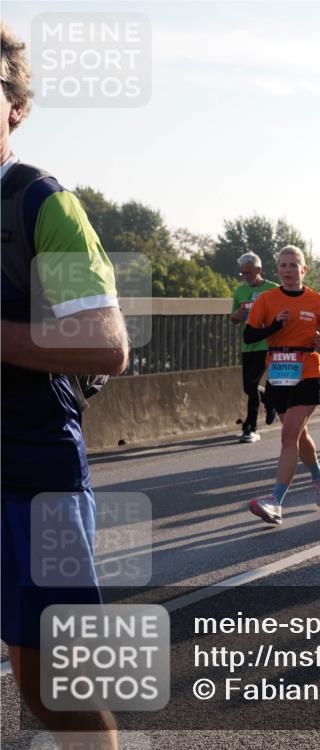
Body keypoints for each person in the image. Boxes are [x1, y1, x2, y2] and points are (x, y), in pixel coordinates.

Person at [1, 21, 129, 746]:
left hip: (33, 477)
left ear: (16, 106)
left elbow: (105, 347)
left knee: (51, 686)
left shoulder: (41, 203)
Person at [243, 246, 320, 525]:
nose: (287, 270)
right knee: (298, 435)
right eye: (283, 265)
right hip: (279, 373)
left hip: (308, 369)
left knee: (288, 435)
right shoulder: (267, 299)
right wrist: (274, 326)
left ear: (303, 270)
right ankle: (319, 473)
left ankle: (275, 501)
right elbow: (249, 335)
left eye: (293, 265)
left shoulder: (318, 300)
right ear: (278, 270)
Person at [230, 252, 279, 442]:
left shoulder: (273, 290)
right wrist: (238, 315)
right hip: (247, 344)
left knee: (251, 384)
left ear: (258, 270)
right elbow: (232, 319)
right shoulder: (239, 291)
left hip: (267, 344)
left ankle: (250, 427)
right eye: (242, 273)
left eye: (248, 273)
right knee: (247, 387)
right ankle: (269, 399)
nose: (245, 277)